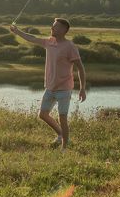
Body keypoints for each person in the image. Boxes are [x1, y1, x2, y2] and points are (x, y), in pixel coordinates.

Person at [9, 18, 87, 150]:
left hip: (64, 89)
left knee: (63, 118)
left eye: (55, 27)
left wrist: (82, 89)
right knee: (43, 114)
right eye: (52, 25)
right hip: (50, 88)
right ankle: (61, 134)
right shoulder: (49, 42)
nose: (52, 28)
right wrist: (17, 31)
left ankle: (64, 148)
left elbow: (80, 68)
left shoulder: (70, 46)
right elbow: (31, 38)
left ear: (63, 30)